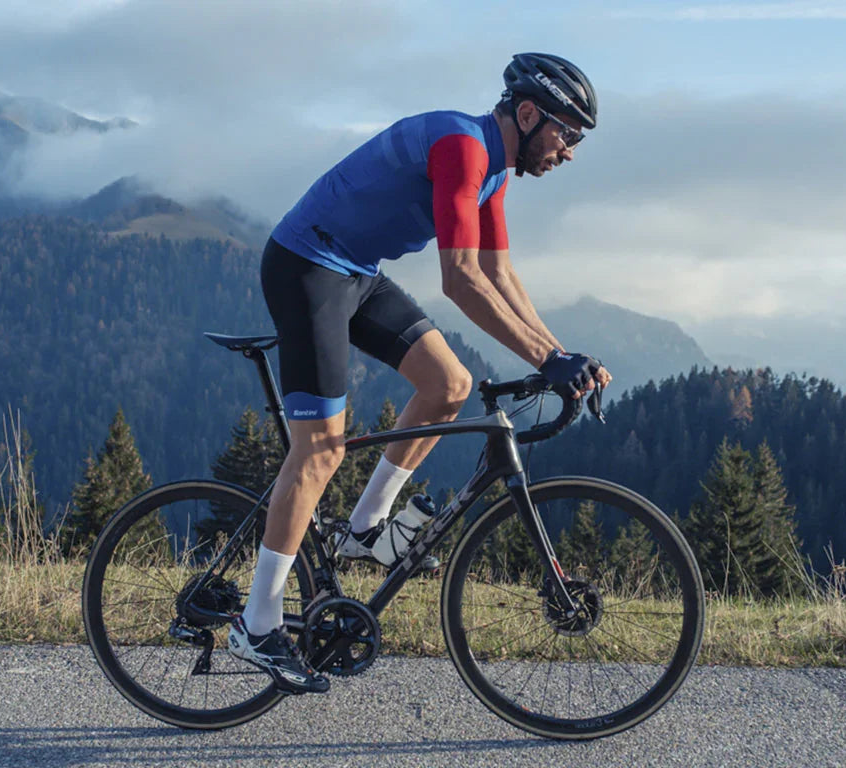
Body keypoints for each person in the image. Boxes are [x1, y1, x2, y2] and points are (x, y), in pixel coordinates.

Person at [227, 53, 613, 694]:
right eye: (567, 133)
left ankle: (363, 530)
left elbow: (501, 276)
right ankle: (258, 622)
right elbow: (460, 280)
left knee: (449, 386)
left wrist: (562, 354)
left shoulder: (493, 170)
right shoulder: (464, 149)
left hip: (355, 272)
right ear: (527, 113)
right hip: (306, 265)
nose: (569, 151)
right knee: (319, 451)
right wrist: (546, 361)